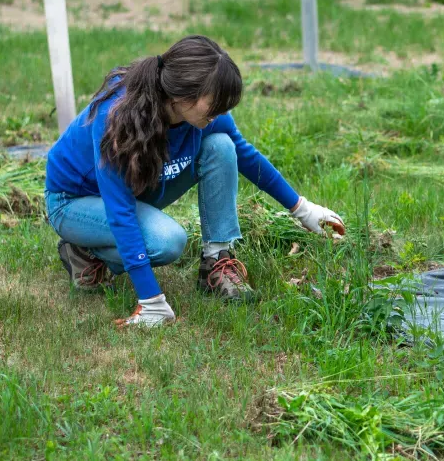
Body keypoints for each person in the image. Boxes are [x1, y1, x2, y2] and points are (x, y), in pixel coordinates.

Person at [44, 35, 346, 328]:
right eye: (215, 103)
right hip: (73, 202)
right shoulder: (117, 116)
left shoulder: (205, 117)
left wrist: (303, 209)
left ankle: (216, 261)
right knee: (167, 242)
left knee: (222, 147)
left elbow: (247, 158)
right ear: (181, 95)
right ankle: (85, 251)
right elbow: (120, 210)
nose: (221, 113)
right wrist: (151, 302)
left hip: (139, 188)